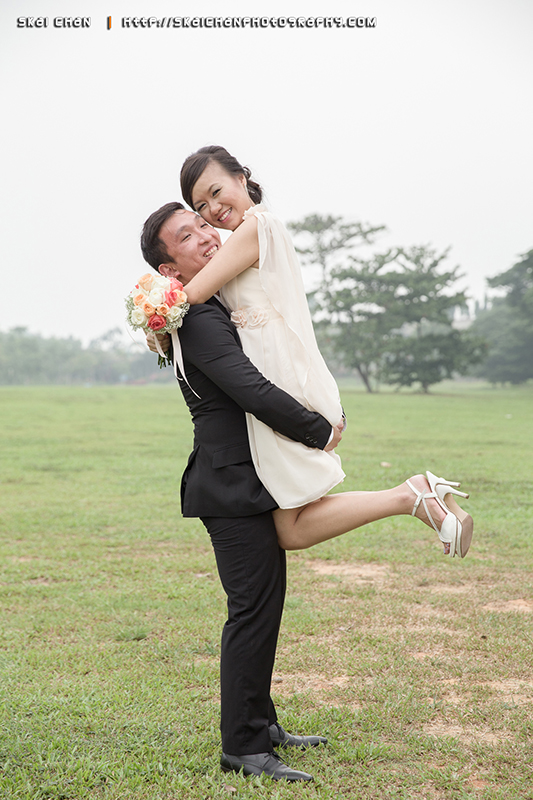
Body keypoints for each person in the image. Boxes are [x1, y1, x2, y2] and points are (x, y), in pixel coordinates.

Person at [177, 145, 473, 559]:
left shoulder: (256, 228)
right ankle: (411, 495)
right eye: (200, 205)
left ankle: (411, 495)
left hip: (273, 376)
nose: (212, 208)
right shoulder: (246, 236)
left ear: (241, 179)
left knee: (291, 527)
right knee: (291, 528)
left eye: (216, 191)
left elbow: (191, 294)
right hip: (267, 371)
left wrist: (151, 299)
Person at [141, 202, 337, 782]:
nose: (205, 236)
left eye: (203, 225)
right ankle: (244, 748)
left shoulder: (207, 305)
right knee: (250, 612)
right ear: (171, 270)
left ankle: (262, 723)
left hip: (244, 479)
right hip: (227, 485)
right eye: (187, 235)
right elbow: (248, 388)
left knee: (264, 607)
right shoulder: (199, 316)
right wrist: (316, 428)